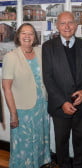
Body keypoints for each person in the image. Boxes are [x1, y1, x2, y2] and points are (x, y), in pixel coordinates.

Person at [42, 11, 82, 168]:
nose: (67, 26)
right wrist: (63, 102)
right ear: (57, 26)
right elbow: (48, 78)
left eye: (70, 22)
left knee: (81, 143)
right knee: (61, 144)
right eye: (63, 23)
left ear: (76, 26)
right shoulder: (48, 47)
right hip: (60, 107)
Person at [2, 23, 51, 168]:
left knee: (40, 141)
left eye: (31, 33)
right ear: (18, 36)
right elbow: (6, 88)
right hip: (23, 111)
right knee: (24, 146)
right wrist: (13, 114)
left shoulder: (40, 52)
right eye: (24, 33)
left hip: (41, 107)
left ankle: (38, 164)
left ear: (35, 36)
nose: (27, 36)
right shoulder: (11, 57)